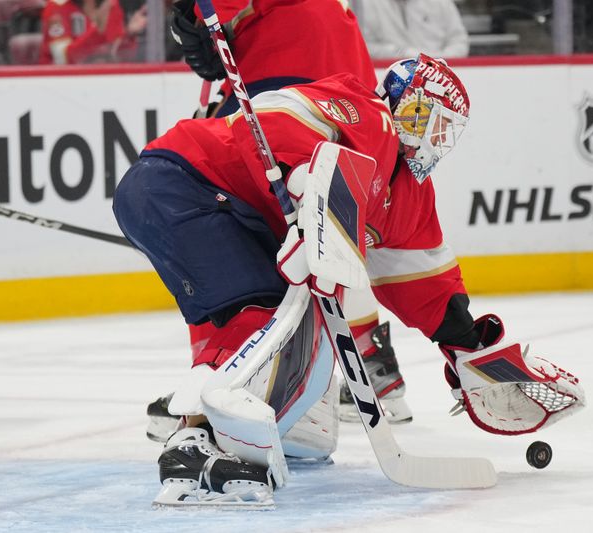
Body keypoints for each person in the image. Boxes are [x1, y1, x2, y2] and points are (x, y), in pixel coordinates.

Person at [114, 55, 585, 505]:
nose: (439, 141)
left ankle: (285, 424)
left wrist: (467, 346)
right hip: (180, 183)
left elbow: (422, 279)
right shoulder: (363, 112)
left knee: (293, 320)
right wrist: (302, 182)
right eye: (435, 123)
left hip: (229, 213)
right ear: (410, 108)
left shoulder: (409, 196)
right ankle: (194, 440)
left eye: (448, 133)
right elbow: (271, 117)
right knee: (259, 314)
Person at [144, 0, 414, 445]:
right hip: (337, 68)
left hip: (284, 63)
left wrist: (195, 16)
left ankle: (222, 380)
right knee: (322, 226)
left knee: (238, 224)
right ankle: (371, 367)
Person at [38, 0, 147, 64]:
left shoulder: (110, 4)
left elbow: (117, 56)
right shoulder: (56, 7)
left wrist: (128, 34)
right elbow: (63, 60)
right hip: (59, 86)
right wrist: (97, 32)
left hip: (100, 81)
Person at [355, 0, 470, 59]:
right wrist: (401, 54)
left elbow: (459, 41)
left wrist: (439, 63)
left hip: (440, 80)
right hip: (388, 80)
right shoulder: (365, 4)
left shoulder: (441, 2)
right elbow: (361, 46)